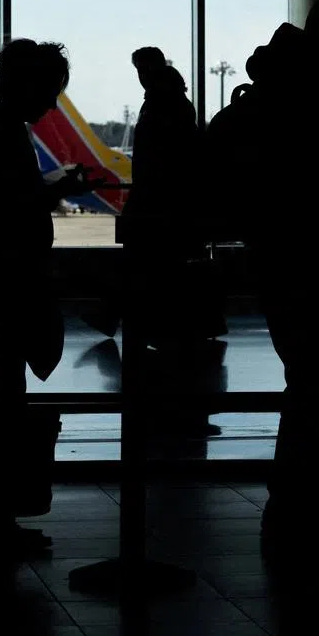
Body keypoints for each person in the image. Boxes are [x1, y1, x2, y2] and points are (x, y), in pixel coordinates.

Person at [209, 0, 319, 559]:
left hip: (285, 263)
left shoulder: (269, 102)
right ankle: (313, 502)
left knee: (312, 384)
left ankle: (296, 503)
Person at [0, 39, 102, 557]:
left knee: (0, 389)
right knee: (2, 396)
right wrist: (56, 191)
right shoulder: (2, 137)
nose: (53, 103)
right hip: (8, 280)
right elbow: (11, 208)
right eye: (50, 90)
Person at [120, 47, 224, 436]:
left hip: (159, 206)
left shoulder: (163, 105)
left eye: (142, 69)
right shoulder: (175, 101)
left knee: (153, 274)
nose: (140, 76)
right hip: (168, 206)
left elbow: (162, 160)